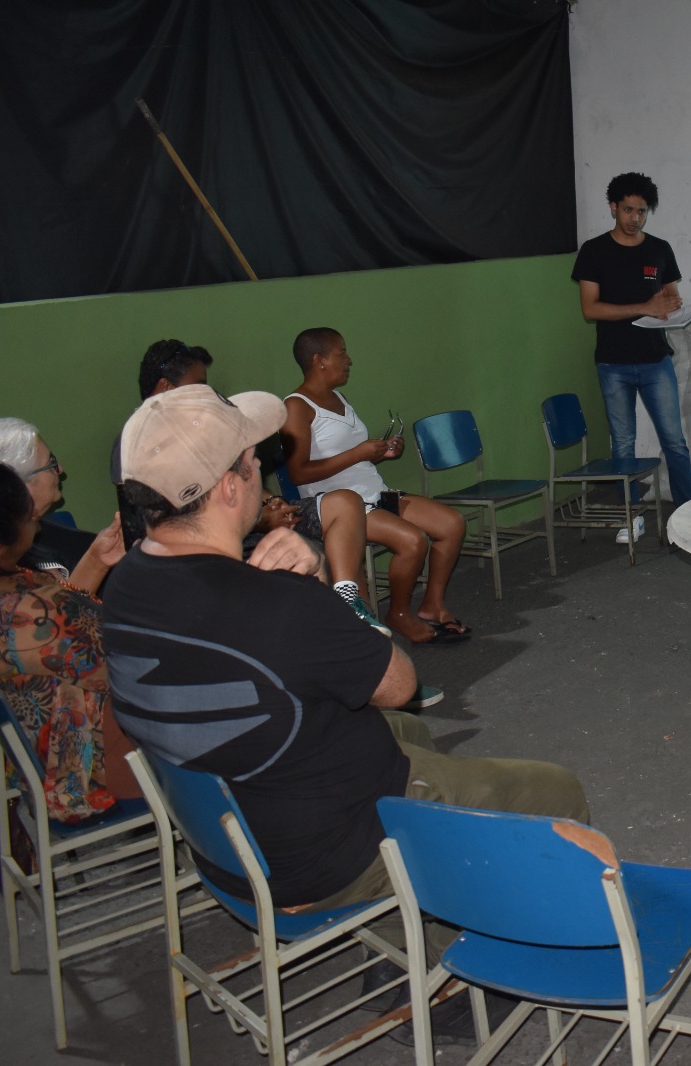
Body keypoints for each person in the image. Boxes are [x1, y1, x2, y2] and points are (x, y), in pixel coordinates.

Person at [103, 385, 588, 1036]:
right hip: (324, 858)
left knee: (409, 735)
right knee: (556, 790)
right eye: (253, 459)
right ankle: (461, 978)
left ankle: (410, 931)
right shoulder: (276, 604)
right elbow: (399, 683)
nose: (262, 469)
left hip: (229, 840)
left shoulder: (126, 583)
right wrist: (323, 588)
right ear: (228, 485)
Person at [120, 338, 388, 636]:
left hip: (254, 518)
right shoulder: (143, 448)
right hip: (227, 539)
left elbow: (237, 480)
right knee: (314, 556)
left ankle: (353, 606)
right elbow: (181, 526)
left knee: (346, 505)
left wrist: (273, 504)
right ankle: (352, 632)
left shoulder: (202, 428)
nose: (208, 394)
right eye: (198, 386)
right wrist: (262, 521)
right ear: (165, 388)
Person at [0, 458, 137, 823]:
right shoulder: (33, 611)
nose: (35, 514)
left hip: (46, 768)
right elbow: (129, 670)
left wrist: (96, 561)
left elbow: (54, 645)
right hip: (92, 778)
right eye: (26, 512)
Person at [282, 328, 469, 645]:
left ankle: (432, 605)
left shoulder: (339, 398)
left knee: (452, 524)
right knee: (412, 541)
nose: (349, 360)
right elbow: (298, 473)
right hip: (341, 507)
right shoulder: (297, 406)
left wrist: (381, 453)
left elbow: (350, 458)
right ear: (319, 360)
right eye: (342, 353)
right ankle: (399, 614)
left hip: (375, 493)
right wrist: (359, 453)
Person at [571, 171, 691, 519]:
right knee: (623, 443)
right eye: (628, 210)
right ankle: (630, 515)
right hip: (613, 363)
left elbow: (670, 298)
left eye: (642, 211)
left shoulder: (660, 249)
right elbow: (590, 309)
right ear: (613, 207)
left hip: (656, 360)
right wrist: (644, 307)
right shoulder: (594, 251)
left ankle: (688, 515)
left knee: (674, 441)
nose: (635, 218)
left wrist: (674, 308)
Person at [0, 417, 125, 594]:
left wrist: (96, 561)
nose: (60, 469)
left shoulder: (49, 532)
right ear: (19, 485)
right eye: (51, 463)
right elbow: (56, 609)